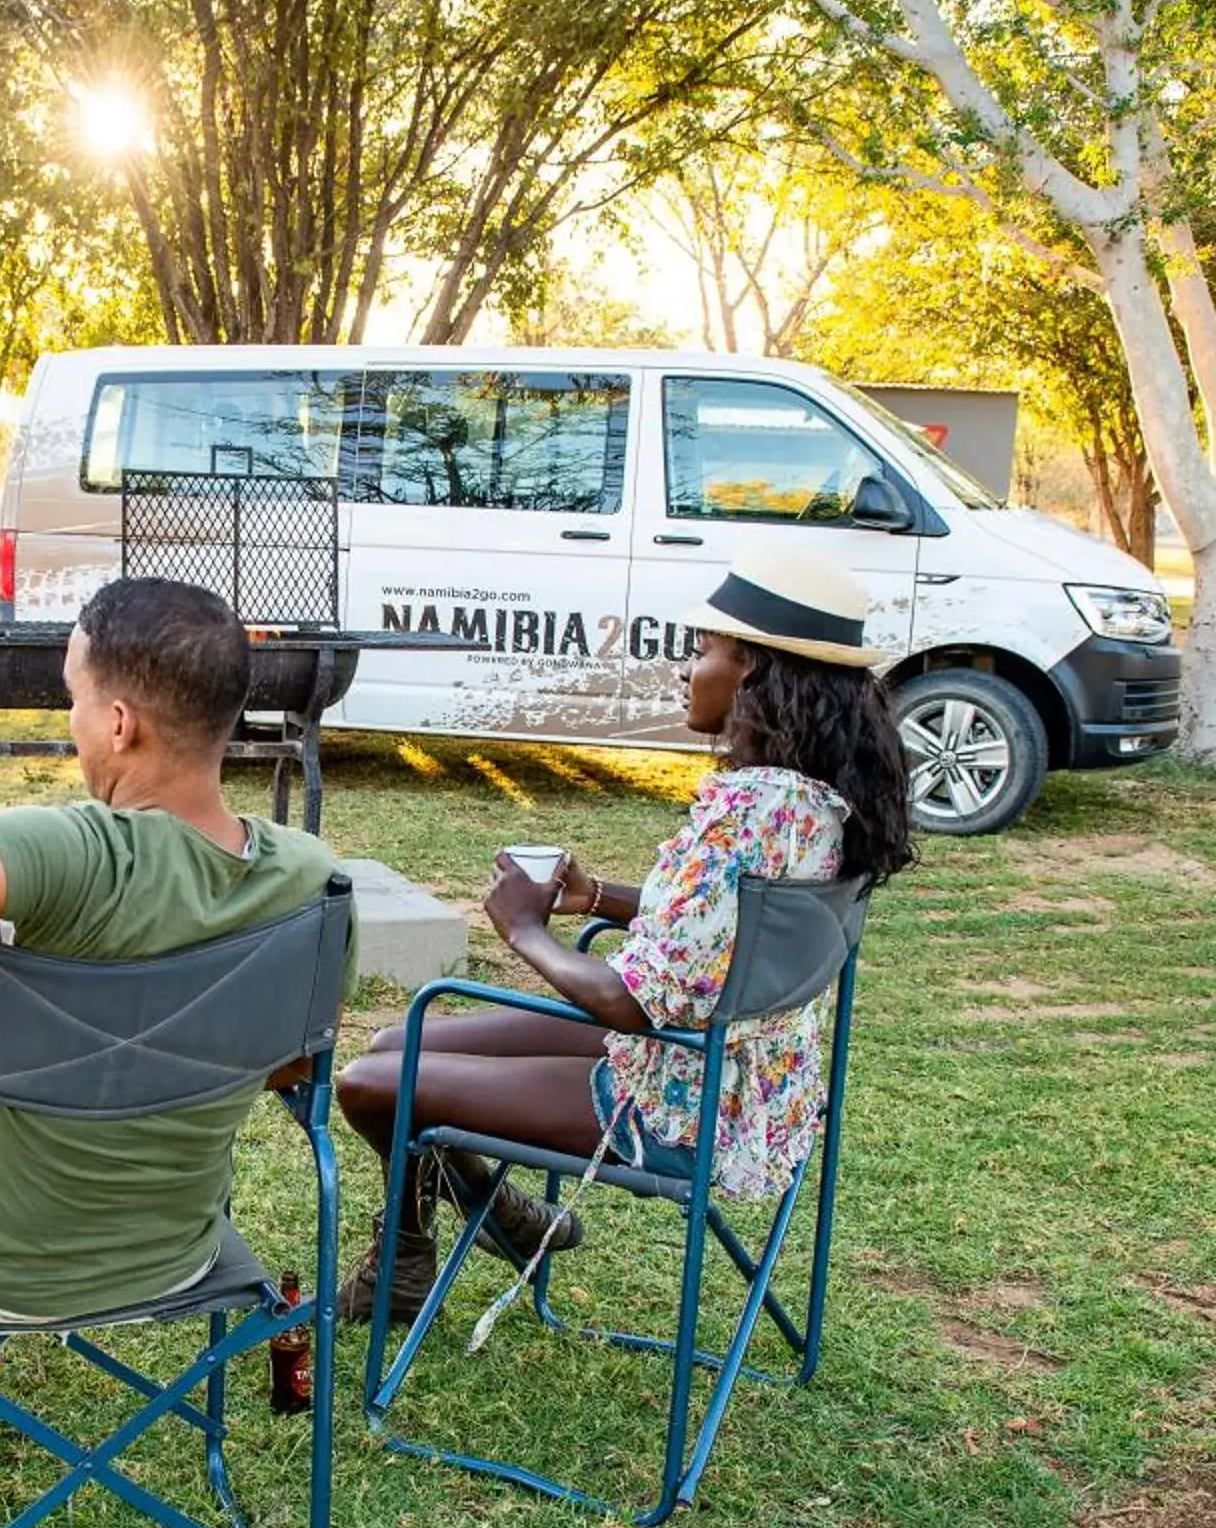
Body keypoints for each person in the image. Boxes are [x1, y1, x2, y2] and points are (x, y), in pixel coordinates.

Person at [0, 576, 347, 1479]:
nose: (75, 721)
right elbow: (286, 1069)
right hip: (177, 1257)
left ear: (121, 723)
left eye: (75, 699)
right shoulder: (317, 882)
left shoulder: (80, 851)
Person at [336, 541, 917, 1322]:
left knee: (371, 1085)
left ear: (753, 669)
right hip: (748, 1079)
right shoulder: (811, 802)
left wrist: (524, 932)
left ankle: (433, 1247)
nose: (687, 668)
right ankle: (482, 1223)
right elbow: (732, 927)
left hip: (677, 1097)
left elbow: (627, 1003)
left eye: (702, 649)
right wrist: (600, 898)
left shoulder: (748, 812)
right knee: (388, 1050)